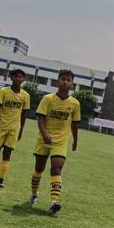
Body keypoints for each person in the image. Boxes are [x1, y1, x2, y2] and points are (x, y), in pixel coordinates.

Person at [29, 69, 81, 214]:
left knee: (56, 168)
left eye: (68, 80)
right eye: (63, 79)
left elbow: (75, 124)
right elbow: (40, 118)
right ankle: (34, 193)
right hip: (44, 138)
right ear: (58, 81)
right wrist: (44, 133)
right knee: (39, 169)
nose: (65, 82)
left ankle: (54, 201)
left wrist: (75, 141)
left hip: (60, 141)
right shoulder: (48, 99)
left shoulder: (75, 103)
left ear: (72, 84)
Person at [0, 69, 31, 188]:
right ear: (11, 78)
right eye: (16, 76)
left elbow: (24, 114)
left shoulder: (26, 96)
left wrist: (21, 130)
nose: (18, 79)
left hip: (14, 128)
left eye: (21, 77)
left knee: (7, 153)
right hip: (1, 126)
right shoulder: (3, 91)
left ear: (23, 80)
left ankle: (1, 178)